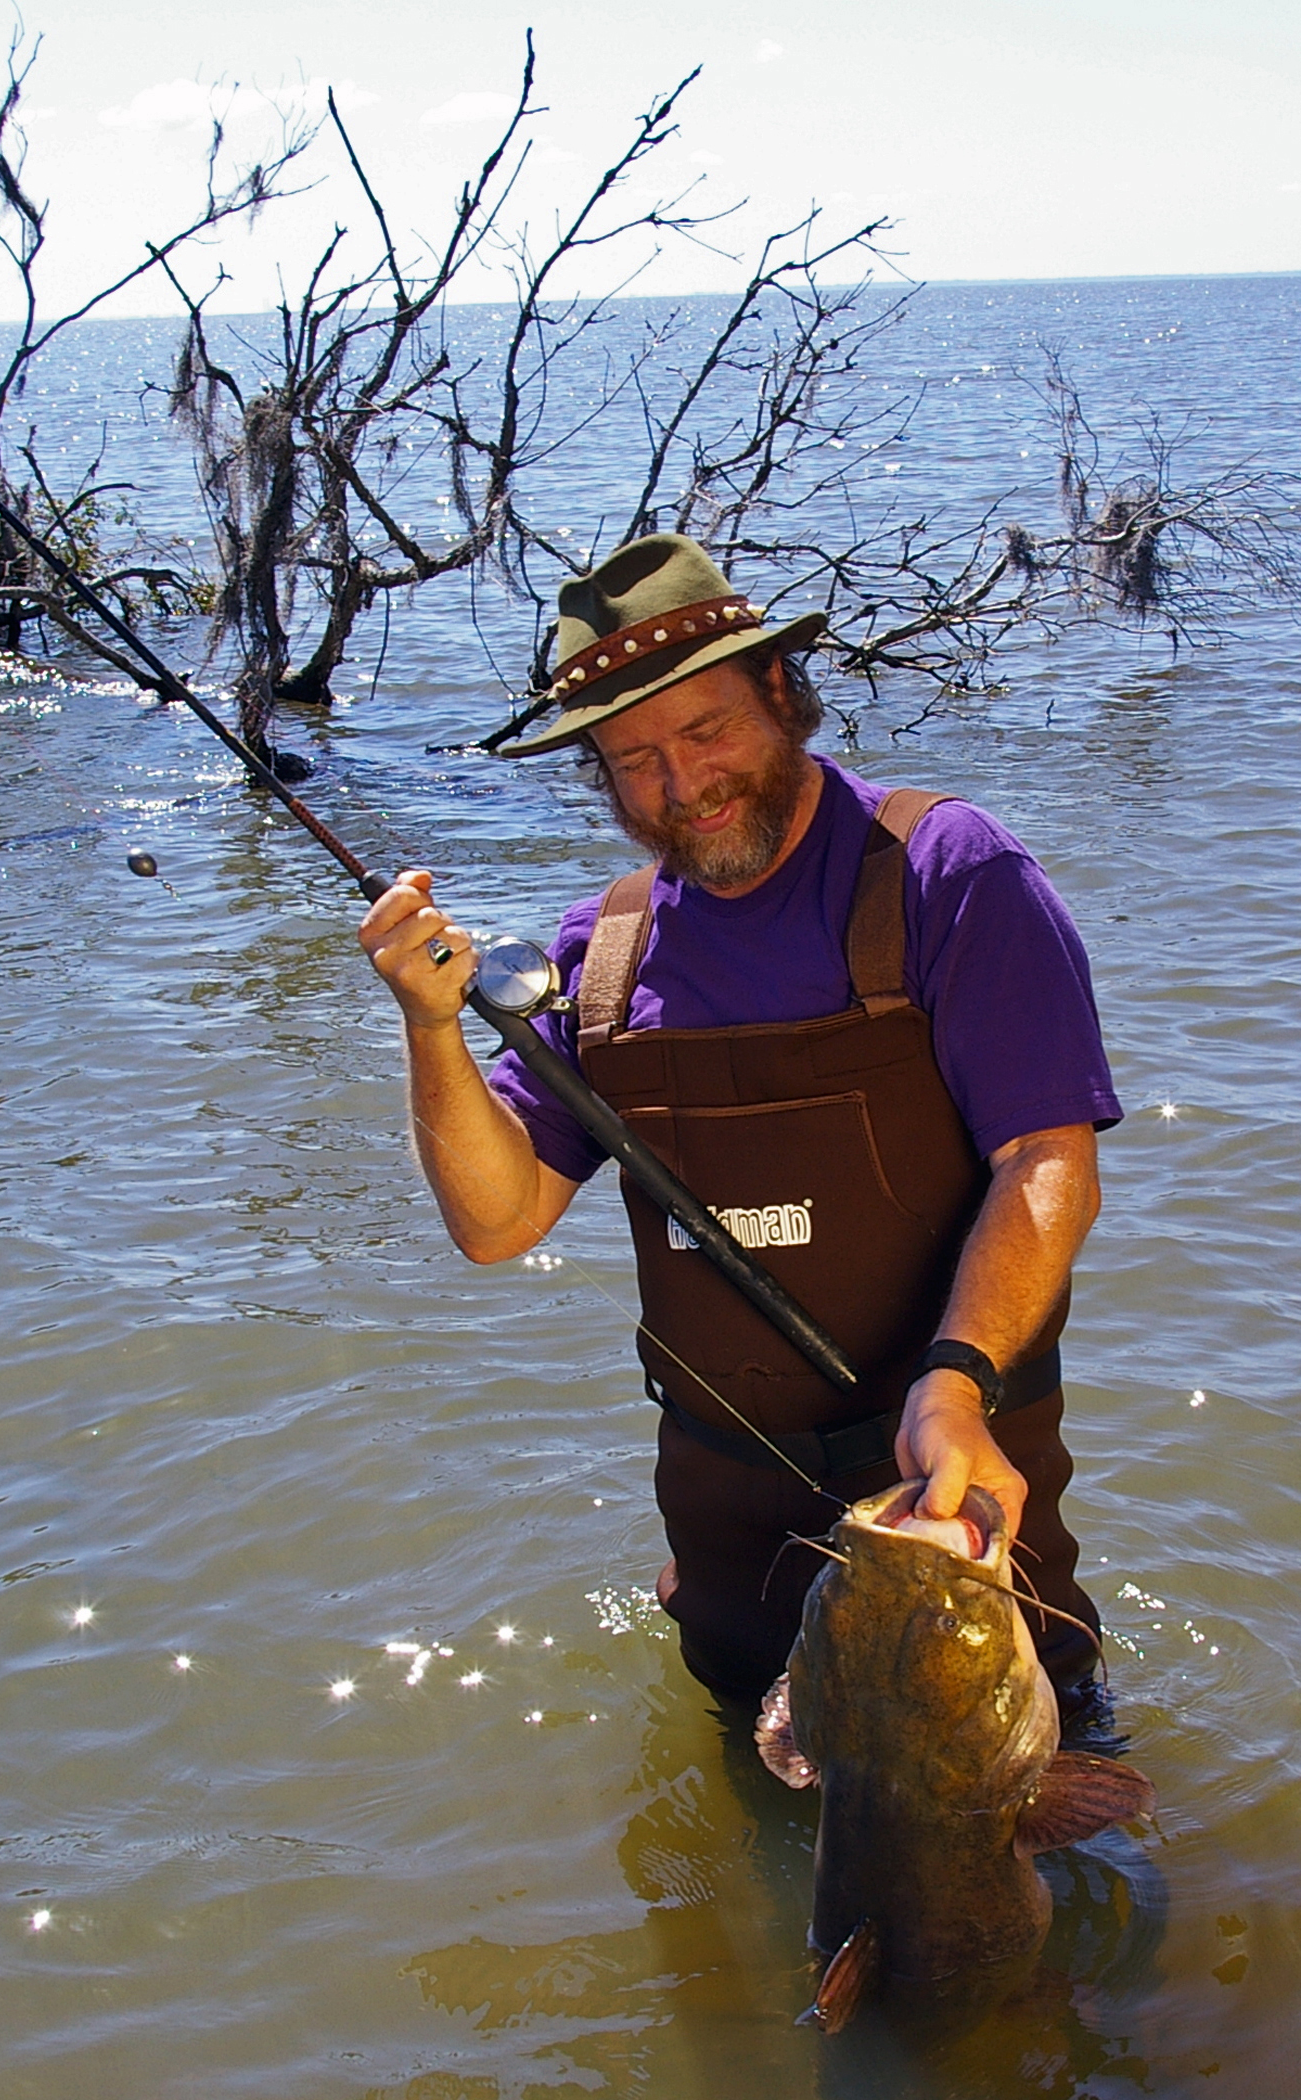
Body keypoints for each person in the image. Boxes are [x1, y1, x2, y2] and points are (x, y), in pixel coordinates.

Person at [359, 533, 1119, 1708]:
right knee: (746, 1855)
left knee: (1024, 1816)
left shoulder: (949, 874)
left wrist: (956, 1384)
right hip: (724, 1531)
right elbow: (497, 1224)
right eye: (635, 760)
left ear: (783, 692)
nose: (683, 785)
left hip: (945, 1494)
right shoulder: (599, 956)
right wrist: (427, 1028)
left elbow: (1048, 1160)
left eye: (705, 732)